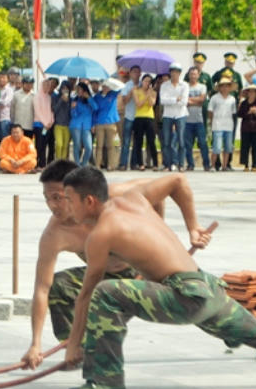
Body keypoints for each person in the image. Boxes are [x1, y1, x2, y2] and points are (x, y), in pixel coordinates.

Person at [58, 166, 256, 389]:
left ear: (89, 201)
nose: (67, 208)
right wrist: (193, 227)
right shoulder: (134, 198)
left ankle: (105, 378)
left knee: (106, 292)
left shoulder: (101, 234)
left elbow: (86, 295)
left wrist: (74, 345)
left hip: (186, 296)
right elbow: (178, 180)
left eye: (69, 200)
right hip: (206, 288)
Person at [20, 159, 170, 370]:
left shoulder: (111, 197)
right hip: (104, 277)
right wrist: (35, 344)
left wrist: (158, 230)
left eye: (58, 197)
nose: (52, 205)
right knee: (59, 285)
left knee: (196, 305)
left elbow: (160, 189)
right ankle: (78, 350)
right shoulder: (55, 233)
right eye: (47, 198)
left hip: (144, 270)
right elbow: (42, 289)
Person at [158, 63, 189, 171]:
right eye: (172, 71)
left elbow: (184, 102)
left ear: (180, 73)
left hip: (181, 115)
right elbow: (163, 100)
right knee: (166, 141)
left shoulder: (184, 85)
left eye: (176, 72)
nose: (174, 74)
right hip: (168, 115)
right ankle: (167, 164)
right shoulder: (164, 85)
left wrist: (170, 100)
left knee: (181, 140)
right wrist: (176, 99)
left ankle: (181, 164)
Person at [183, 68, 210, 172]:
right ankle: (190, 165)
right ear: (188, 75)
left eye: (195, 74)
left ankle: (206, 164)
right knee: (188, 144)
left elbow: (202, 99)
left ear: (198, 75)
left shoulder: (202, 86)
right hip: (187, 120)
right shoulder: (185, 86)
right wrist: (195, 101)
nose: (193, 76)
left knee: (203, 143)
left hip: (199, 120)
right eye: (191, 74)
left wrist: (189, 100)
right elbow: (183, 101)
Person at [208, 77, 237, 171]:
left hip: (228, 125)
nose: (225, 88)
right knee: (216, 147)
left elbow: (233, 112)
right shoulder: (214, 98)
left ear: (229, 87)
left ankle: (224, 166)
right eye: (222, 86)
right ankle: (213, 165)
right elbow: (210, 111)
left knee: (228, 147)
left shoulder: (232, 99)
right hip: (217, 125)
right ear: (219, 87)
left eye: (227, 86)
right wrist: (212, 121)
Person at [130, 74, 158, 170]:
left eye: (149, 81)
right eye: (145, 81)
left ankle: (155, 163)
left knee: (151, 141)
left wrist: (149, 94)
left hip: (149, 117)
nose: (147, 83)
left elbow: (152, 104)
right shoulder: (136, 91)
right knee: (139, 141)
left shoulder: (153, 92)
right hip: (139, 117)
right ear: (142, 81)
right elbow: (138, 104)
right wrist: (146, 95)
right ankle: (140, 163)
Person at [117, 65, 142, 171]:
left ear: (140, 74)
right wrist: (131, 92)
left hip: (139, 116)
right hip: (129, 116)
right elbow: (124, 101)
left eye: (138, 72)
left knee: (137, 141)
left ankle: (134, 163)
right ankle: (123, 163)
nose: (136, 74)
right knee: (126, 141)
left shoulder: (143, 84)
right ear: (130, 73)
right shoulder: (127, 85)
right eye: (134, 72)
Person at [92, 81, 120, 170]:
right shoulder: (97, 96)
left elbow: (120, 88)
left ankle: (110, 165)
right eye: (104, 86)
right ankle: (98, 164)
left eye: (107, 86)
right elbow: (94, 111)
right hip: (99, 123)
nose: (105, 88)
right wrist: (93, 124)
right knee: (99, 145)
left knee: (110, 145)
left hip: (110, 122)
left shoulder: (113, 94)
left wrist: (112, 84)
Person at [237, 84, 256, 171]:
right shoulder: (244, 103)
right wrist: (248, 112)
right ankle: (245, 164)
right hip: (246, 127)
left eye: (254, 92)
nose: (252, 93)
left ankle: (255, 164)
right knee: (245, 146)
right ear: (247, 93)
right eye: (250, 92)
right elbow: (239, 114)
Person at [69, 82, 97, 166]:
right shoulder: (75, 100)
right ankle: (77, 164)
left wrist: (88, 98)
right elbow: (73, 115)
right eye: (77, 89)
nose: (78, 91)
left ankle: (83, 164)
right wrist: (73, 108)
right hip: (76, 125)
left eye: (80, 89)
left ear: (85, 90)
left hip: (86, 126)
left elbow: (96, 108)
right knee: (77, 145)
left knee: (89, 147)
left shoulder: (90, 100)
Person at [32, 76, 54, 169]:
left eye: (48, 85)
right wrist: (45, 123)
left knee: (44, 145)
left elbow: (51, 110)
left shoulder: (49, 97)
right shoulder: (37, 97)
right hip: (39, 125)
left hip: (48, 126)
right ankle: (37, 164)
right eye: (45, 85)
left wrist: (51, 121)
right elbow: (37, 111)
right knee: (39, 145)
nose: (47, 87)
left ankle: (42, 164)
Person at [52, 81, 72, 162]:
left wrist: (67, 103)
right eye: (63, 88)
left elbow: (71, 113)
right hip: (58, 125)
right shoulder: (55, 97)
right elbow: (54, 110)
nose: (65, 90)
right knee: (59, 144)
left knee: (65, 145)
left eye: (67, 89)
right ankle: (58, 161)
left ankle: (63, 162)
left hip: (67, 125)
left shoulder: (71, 99)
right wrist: (61, 100)